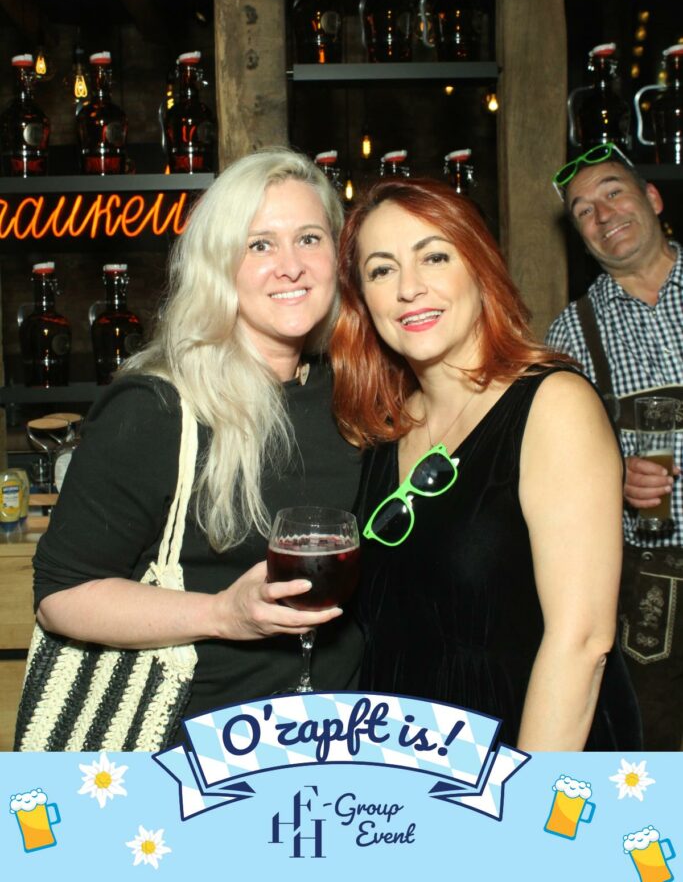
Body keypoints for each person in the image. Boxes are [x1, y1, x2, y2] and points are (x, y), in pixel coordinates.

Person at [25, 147, 362, 750]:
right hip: (192, 755)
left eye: (309, 239)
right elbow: (60, 596)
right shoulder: (156, 408)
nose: (290, 266)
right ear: (217, 265)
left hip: (338, 741)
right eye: (259, 245)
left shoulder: (352, 393)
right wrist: (222, 614)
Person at [330, 175, 641, 751]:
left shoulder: (553, 406)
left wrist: (519, 797)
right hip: (408, 759)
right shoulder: (385, 428)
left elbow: (582, 643)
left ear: (479, 267)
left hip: (526, 755)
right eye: (381, 270)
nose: (409, 288)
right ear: (362, 300)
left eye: (434, 257)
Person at [546, 142, 683, 751]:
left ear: (652, 198)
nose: (602, 215)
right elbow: (554, 470)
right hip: (650, 587)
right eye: (583, 211)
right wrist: (611, 477)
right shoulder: (571, 333)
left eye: (613, 193)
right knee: (655, 762)